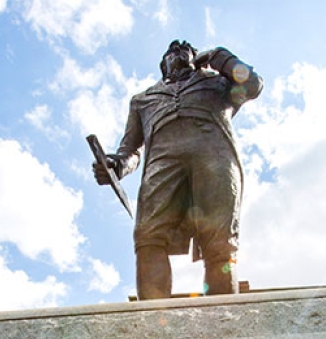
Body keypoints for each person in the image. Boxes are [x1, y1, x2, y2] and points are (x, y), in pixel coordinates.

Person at [93, 40, 263, 299]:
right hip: (162, 162)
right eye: (172, 51)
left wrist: (219, 57)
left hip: (214, 156)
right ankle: (153, 326)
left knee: (220, 241)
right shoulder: (142, 100)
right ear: (164, 64)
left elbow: (253, 84)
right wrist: (116, 166)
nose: (179, 51)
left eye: (187, 50)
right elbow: (130, 151)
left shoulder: (220, 83)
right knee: (147, 235)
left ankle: (224, 321)